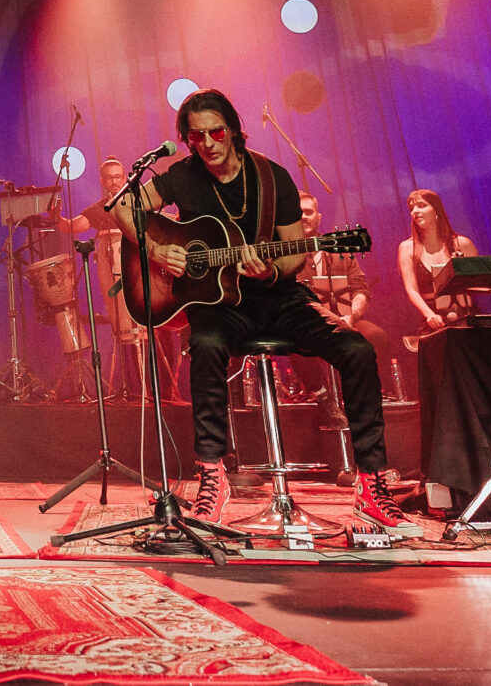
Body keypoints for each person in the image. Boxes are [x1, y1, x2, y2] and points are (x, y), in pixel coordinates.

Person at [111, 88, 405, 533]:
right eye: (196, 136)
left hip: (279, 297)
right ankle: (213, 475)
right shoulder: (182, 175)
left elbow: (295, 255)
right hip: (219, 305)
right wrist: (155, 250)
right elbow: (123, 207)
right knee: (205, 343)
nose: (207, 144)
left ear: (233, 130)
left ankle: (370, 483)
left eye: (215, 133)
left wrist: (270, 269)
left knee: (357, 349)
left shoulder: (272, 178)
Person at [292, 193, 394, 402]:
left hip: (345, 319)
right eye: (298, 212)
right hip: (307, 325)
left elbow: (360, 290)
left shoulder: (340, 250)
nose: (304, 217)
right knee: (295, 341)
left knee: (376, 335)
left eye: (309, 212)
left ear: (319, 217)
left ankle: (368, 396)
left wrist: (351, 317)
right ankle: (322, 396)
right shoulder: (286, 254)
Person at [63, 156, 147, 396]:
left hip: (141, 271)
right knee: (123, 326)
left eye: (118, 177)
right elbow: (72, 226)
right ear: (102, 181)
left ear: (126, 177)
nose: (114, 181)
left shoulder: (139, 200)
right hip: (113, 275)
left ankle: (150, 389)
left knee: (144, 325)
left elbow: (161, 222)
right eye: (109, 178)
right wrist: (56, 217)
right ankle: (130, 388)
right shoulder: (101, 209)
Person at [396, 187, 477, 351]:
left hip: (467, 317)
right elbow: (412, 290)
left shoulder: (462, 244)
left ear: (436, 210)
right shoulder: (407, 248)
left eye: (421, 205)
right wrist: (429, 315)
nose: (415, 211)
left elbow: (479, 282)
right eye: (411, 208)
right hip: (434, 320)